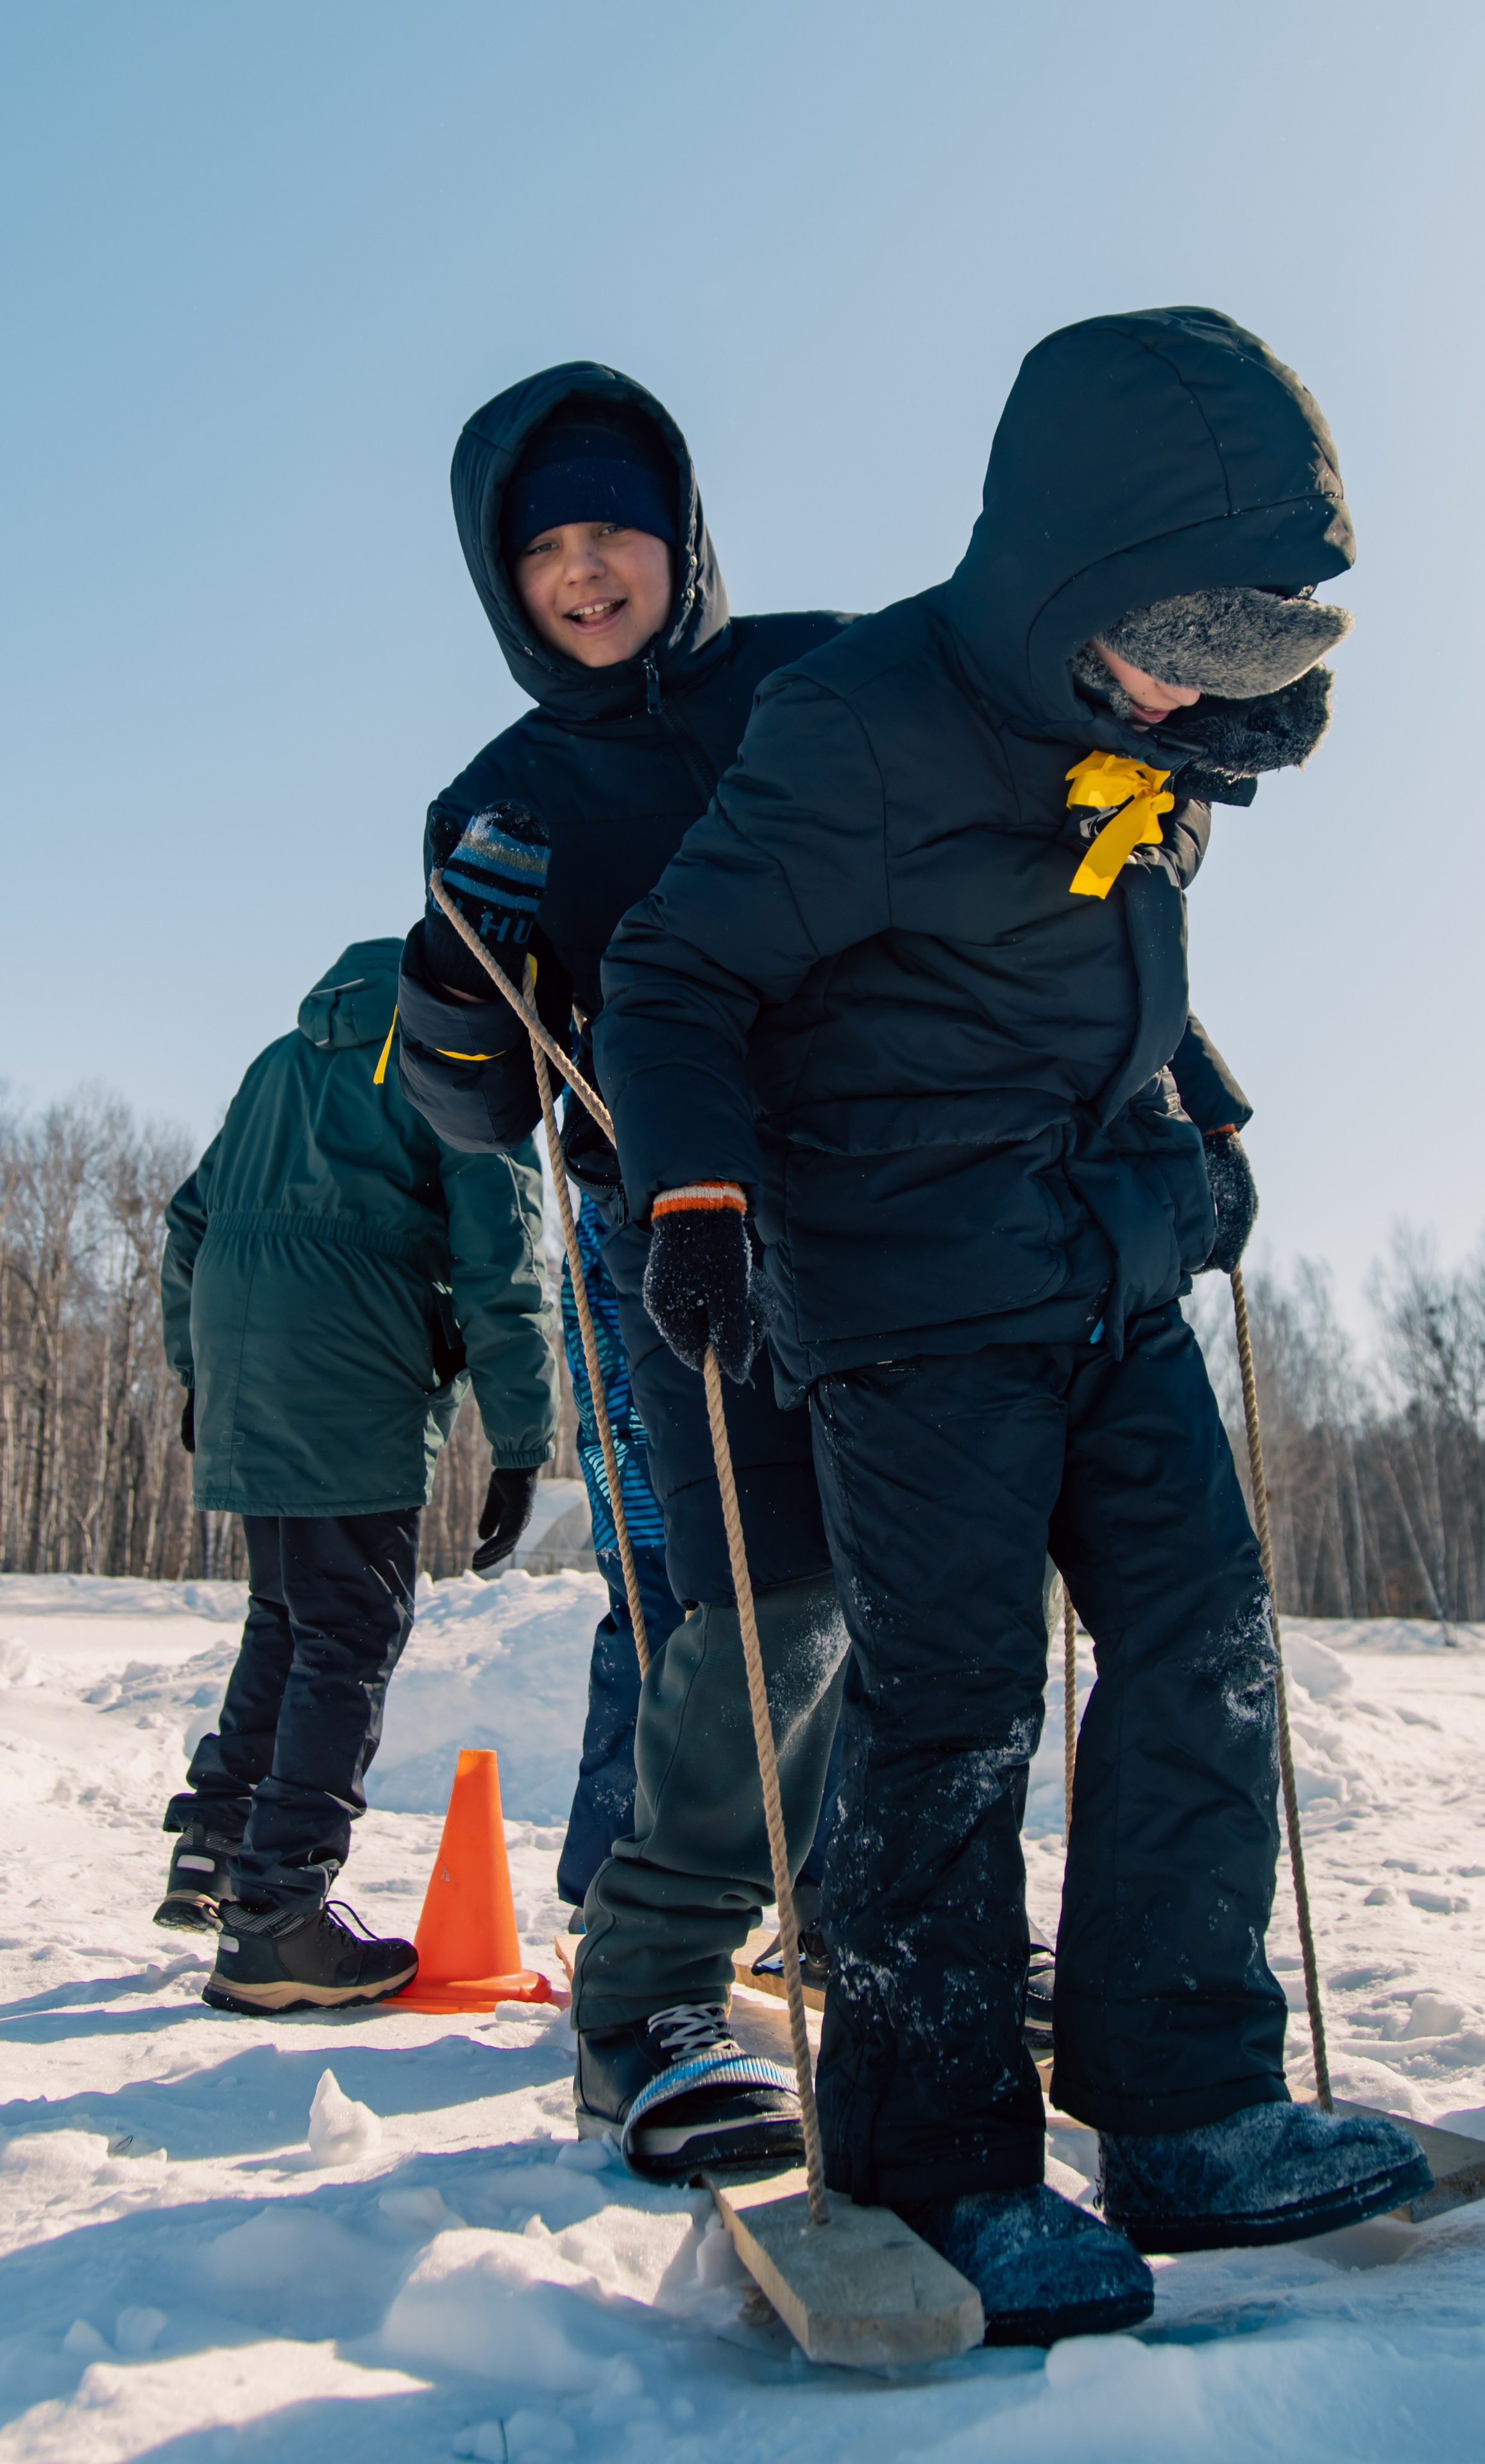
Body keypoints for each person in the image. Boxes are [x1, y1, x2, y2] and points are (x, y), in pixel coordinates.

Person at [595, 307, 1434, 2343]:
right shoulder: (862, 721)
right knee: (949, 1709)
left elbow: (1056, 951)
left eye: (1253, 660)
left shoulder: (1131, 725)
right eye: (1189, 646)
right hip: (908, 1298)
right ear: (1071, 580)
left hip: (1104, 1262)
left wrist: (1193, 1078)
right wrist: (691, 1198)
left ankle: (1180, 2099)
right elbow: (675, 975)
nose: (1203, 700)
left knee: (1199, 1641)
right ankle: (945, 2161)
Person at [394, 364, 851, 2173]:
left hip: (895, 1192)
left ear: (682, 539)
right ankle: (657, 1982)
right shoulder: (495, 797)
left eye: (615, 534)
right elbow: (477, 1111)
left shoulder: (822, 677)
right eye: (547, 550)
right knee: (745, 1591)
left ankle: (883, 1903)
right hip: (656, 1229)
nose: (586, 574)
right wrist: (453, 984)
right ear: (503, 581)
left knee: (943, 1574)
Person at [156, 937, 557, 2014]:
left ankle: (218, 1843)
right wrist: (524, 1442)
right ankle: (279, 1915)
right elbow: (503, 1260)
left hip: (247, 1357)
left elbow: (190, 1220)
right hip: (346, 1362)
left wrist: (199, 1370)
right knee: (350, 1626)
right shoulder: (460, 1051)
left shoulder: (282, 1060)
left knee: (290, 1614)